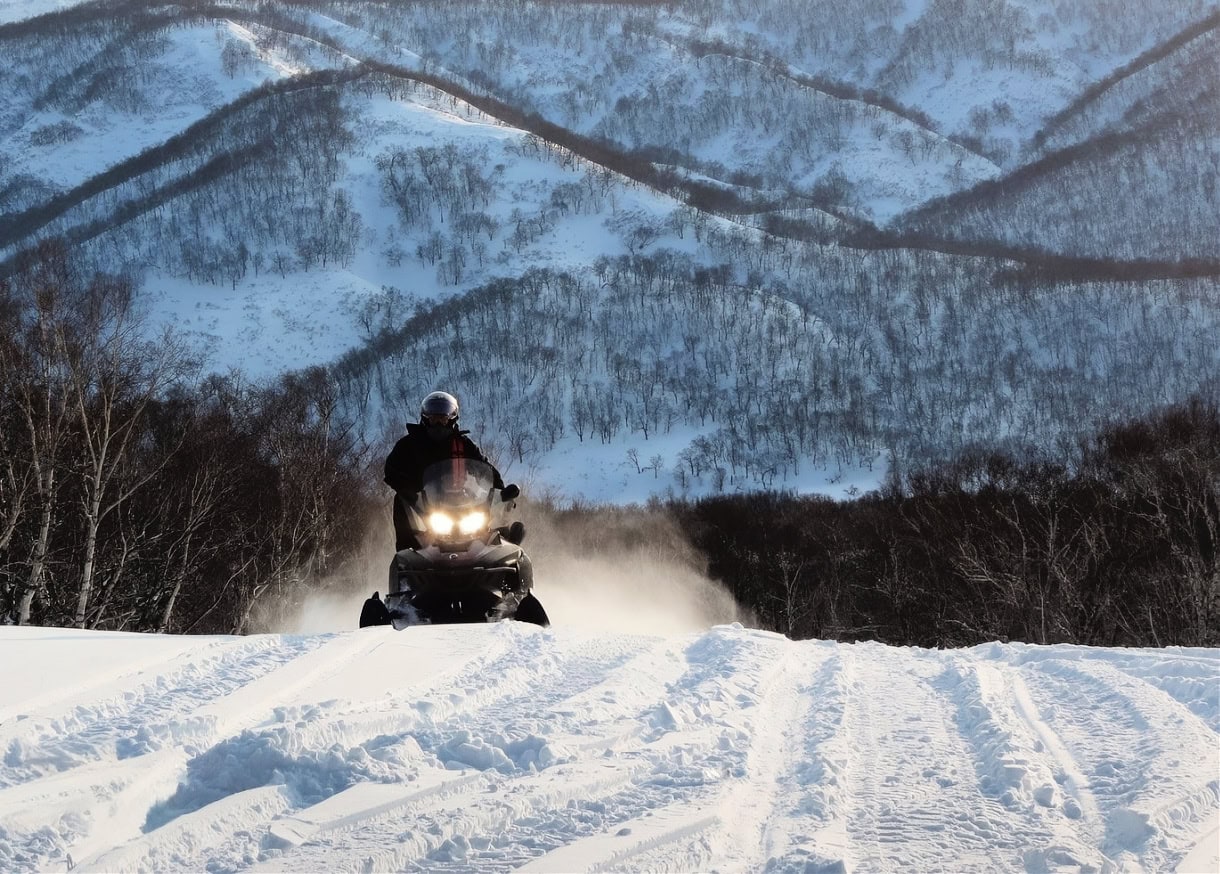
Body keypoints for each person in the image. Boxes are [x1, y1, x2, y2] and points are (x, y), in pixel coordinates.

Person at [384, 391, 509, 550]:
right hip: (421, 505)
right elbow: (391, 468)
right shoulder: (409, 444)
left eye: (442, 419)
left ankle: (495, 554)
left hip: (459, 500)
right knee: (400, 504)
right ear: (425, 418)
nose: (438, 423)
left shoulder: (464, 444)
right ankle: (406, 557)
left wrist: (501, 492)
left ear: (452, 419)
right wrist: (407, 490)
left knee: (488, 530)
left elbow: (485, 468)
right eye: (434, 418)